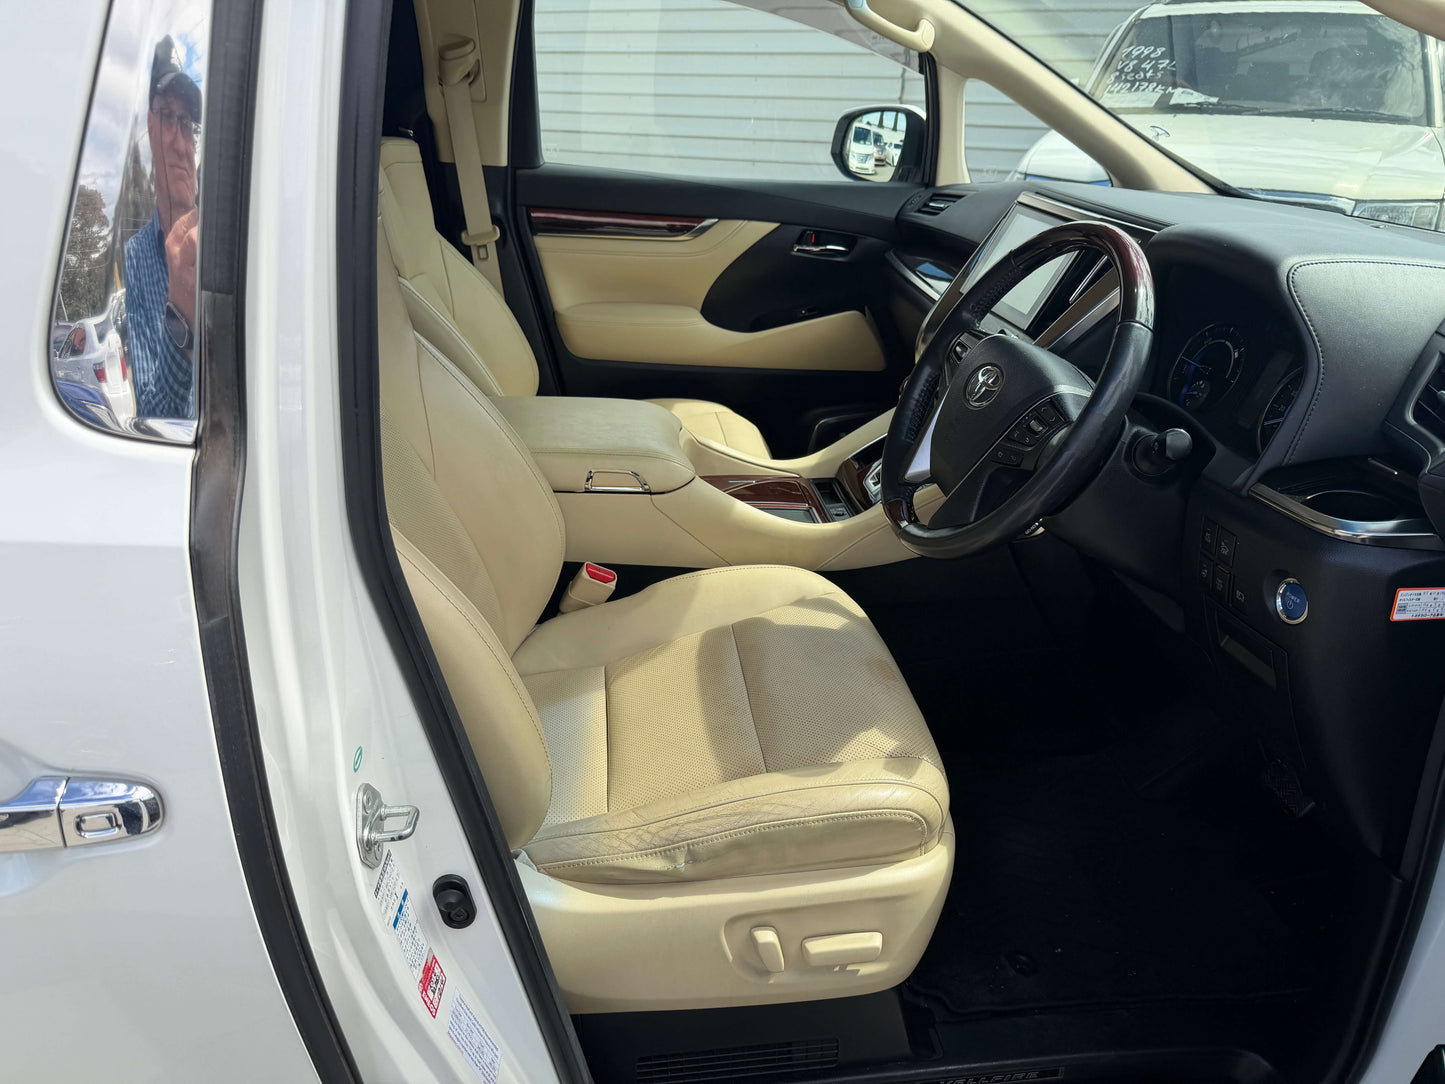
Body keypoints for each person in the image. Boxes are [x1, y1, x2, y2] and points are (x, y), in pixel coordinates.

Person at [123, 36, 200, 420]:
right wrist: (182, 322)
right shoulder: (136, 255)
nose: (180, 143)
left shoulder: (233, 233)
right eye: (167, 116)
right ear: (150, 132)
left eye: (186, 123)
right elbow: (152, 413)